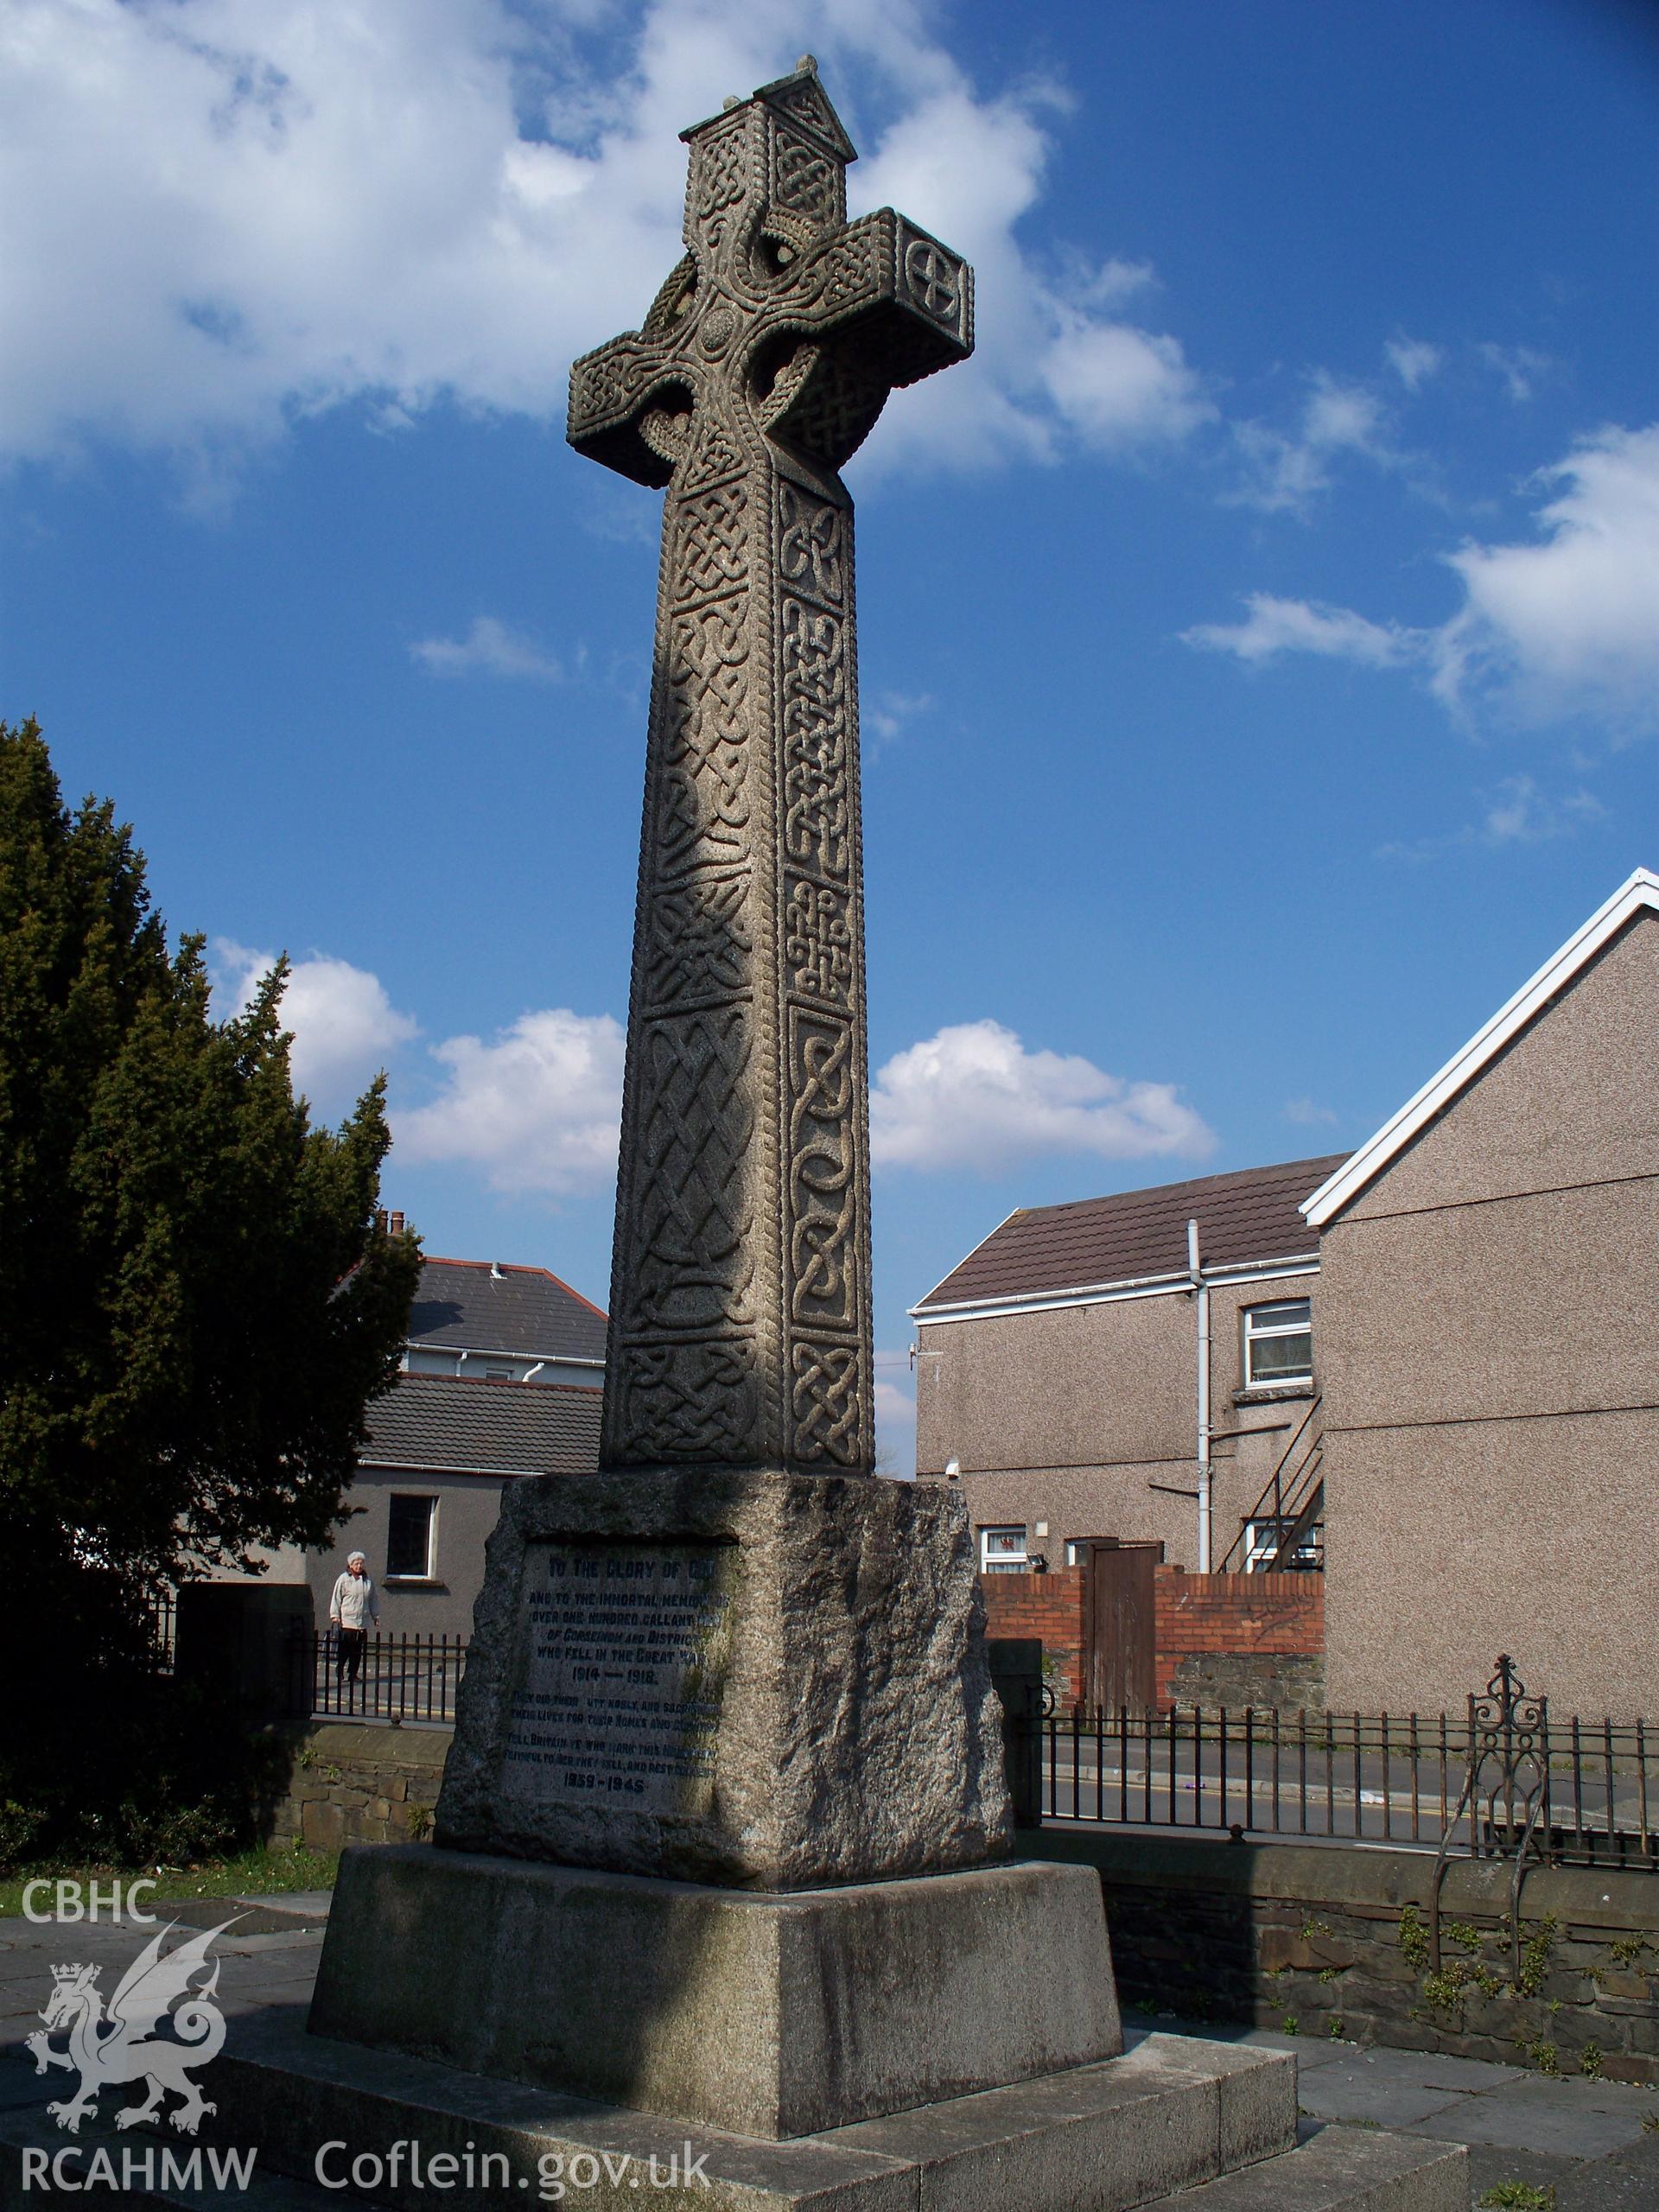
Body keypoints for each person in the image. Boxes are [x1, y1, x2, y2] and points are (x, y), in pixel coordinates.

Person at [329, 1551, 378, 1699]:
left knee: (357, 1650)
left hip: (362, 1621)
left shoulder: (367, 1581)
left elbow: (373, 1599)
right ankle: (340, 1668)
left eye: (361, 1563)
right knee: (345, 1648)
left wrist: (375, 1616)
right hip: (348, 1620)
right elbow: (336, 1597)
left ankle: (353, 1673)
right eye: (356, 1563)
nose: (359, 1566)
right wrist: (335, 1615)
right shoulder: (344, 1579)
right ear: (350, 1565)